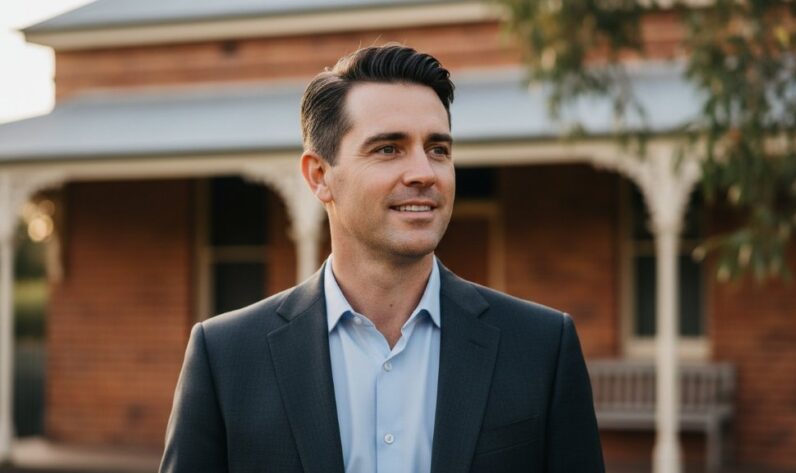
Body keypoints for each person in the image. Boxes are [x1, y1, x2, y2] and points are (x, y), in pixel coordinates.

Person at [160, 44, 604, 473]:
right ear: (320, 176)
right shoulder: (225, 357)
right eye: (388, 149)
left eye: (438, 149)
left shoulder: (542, 347)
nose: (424, 173)